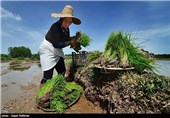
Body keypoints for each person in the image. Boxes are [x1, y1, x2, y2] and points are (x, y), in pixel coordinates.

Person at [38, 5, 81, 86]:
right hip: (47, 49)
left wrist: (75, 39)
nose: (67, 24)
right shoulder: (55, 27)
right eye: (66, 21)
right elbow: (57, 44)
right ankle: (42, 92)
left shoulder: (67, 29)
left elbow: (66, 40)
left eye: (70, 22)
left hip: (57, 50)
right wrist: (70, 42)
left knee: (62, 71)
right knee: (48, 76)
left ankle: (59, 86)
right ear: (61, 18)